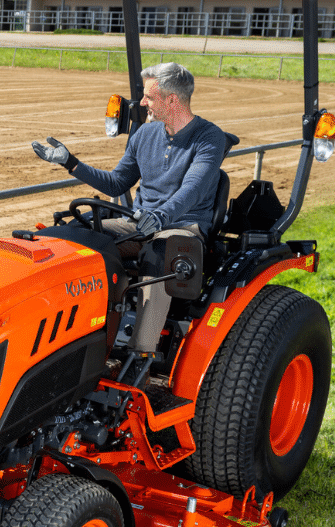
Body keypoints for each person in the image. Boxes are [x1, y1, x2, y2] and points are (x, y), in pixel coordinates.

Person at [32, 62, 233, 384]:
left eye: (149, 97)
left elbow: (192, 189)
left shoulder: (209, 138)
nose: (142, 103)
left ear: (171, 100)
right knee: (68, 236)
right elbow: (116, 184)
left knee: (161, 251)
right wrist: (71, 163)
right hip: (138, 222)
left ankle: (141, 356)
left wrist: (161, 217)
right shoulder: (145, 134)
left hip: (182, 225)